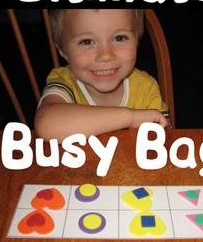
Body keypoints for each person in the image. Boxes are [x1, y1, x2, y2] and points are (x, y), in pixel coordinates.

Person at [35, 9, 170, 142]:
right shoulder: (65, 82)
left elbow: (166, 140)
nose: (105, 55)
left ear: (137, 41)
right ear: (63, 51)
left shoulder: (145, 88)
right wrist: (130, 118)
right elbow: (46, 125)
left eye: (119, 38)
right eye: (87, 42)